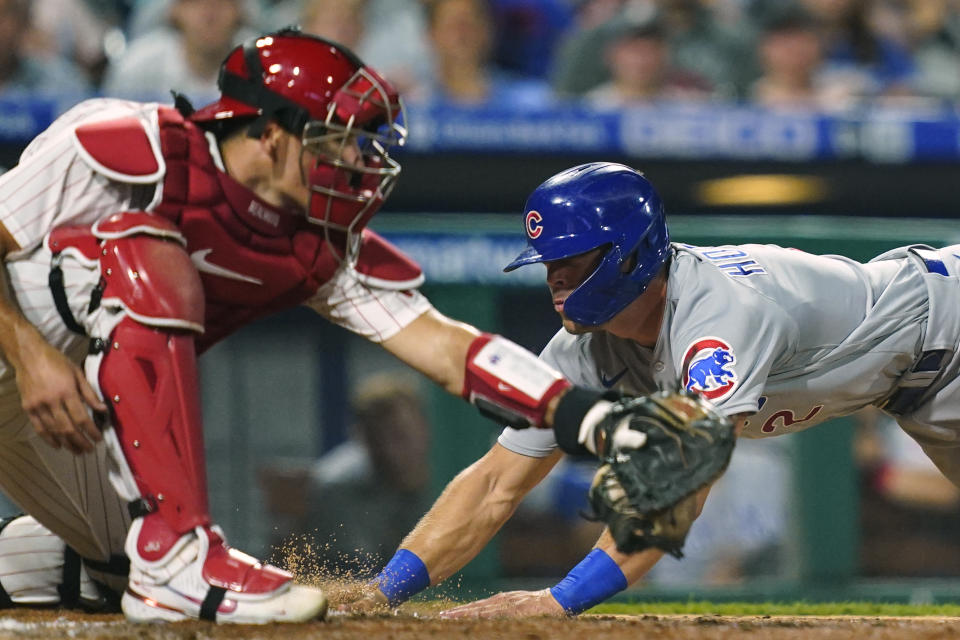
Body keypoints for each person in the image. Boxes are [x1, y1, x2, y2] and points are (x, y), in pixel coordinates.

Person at [0, 29, 619, 624]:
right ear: (270, 135)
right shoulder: (117, 144)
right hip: (23, 363)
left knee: (114, 575)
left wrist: (587, 417)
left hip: (61, 413)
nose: (355, 159)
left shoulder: (312, 240)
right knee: (145, 253)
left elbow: (441, 344)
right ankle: (179, 555)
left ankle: (99, 561)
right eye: (335, 139)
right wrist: (29, 355)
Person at [342, 160, 960, 617]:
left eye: (574, 261)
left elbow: (682, 487)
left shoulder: (717, 317)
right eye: (549, 264)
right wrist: (381, 591)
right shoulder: (581, 350)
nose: (555, 281)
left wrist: (558, 603)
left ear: (630, 254)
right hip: (923, 392)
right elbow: (494, 483)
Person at [258, 373, 432, 575]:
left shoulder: (447, 472)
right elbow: (357, 577)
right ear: (362, 437)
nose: (390, 451)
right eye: (377, 440)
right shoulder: (338, 489)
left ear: (424, 428)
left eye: (400, 435)